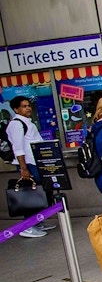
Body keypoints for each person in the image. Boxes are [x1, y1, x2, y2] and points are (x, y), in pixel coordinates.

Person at [7, 96, 55, 237]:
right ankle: (27, 226)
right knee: (31, 195)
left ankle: (37, 221)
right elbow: (18, 148)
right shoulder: (16, 124)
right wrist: (24, 168)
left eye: (28, 105)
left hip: (35, 163)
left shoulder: (27, 122)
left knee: (40, 193)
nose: (28, 108)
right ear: (16, 109)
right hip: (28, 164)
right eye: (23, 106)